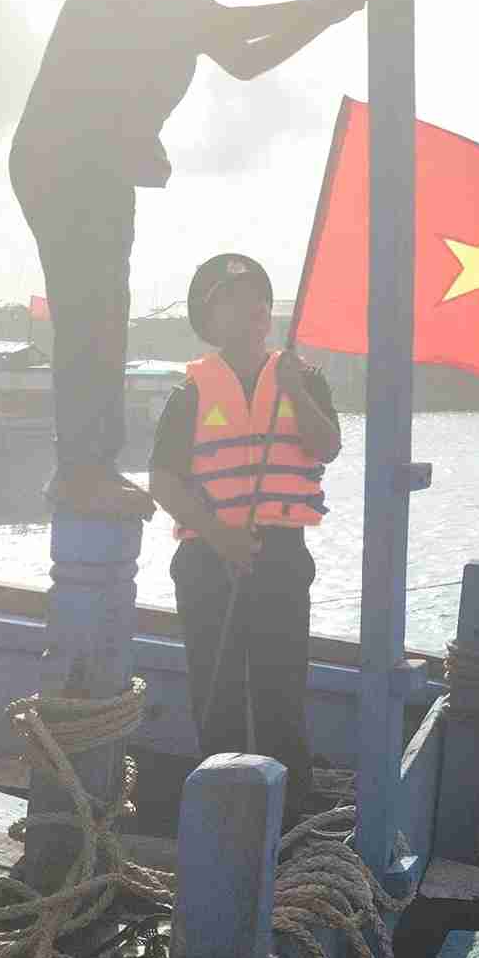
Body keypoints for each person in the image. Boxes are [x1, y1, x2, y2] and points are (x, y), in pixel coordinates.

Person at [10, 0, 367, 516]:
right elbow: (226, 26)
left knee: (104, 313)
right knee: (93, 313)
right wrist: (321, 2)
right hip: (68, 162)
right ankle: (83, 469)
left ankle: (89, 464)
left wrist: (324, 14)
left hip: (95, 163)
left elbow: (244, 61)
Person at [147, 254, 341, 819]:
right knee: (219, 697)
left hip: (281, 557)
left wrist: (295, 393)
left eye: (258, 295)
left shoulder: (304, 377)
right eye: (233, 298)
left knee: (283, 695)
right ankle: (222, 820)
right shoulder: (191, 392)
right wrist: (221, 537)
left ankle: (293, 822)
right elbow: (163, 479)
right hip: (209, 561)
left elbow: (326, 446)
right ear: (211, 319)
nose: (252, 307)